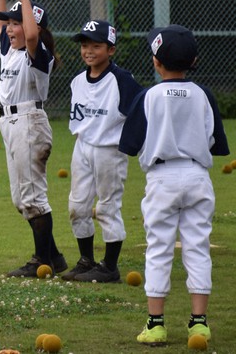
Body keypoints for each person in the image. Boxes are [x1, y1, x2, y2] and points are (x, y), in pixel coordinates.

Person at [119, 25, 229, 346]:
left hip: (162, 177)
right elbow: (214, 142)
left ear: (156, 62)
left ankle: (156, 324)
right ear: (194, 59)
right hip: (197, 176)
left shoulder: (148, 96)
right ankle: (199, 323)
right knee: (197, 247)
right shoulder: (204, 95)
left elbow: (131, 143)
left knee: (159, 248)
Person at [0, 0, 66, 277]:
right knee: (21, 199)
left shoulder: (38, 56)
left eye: (17, 22)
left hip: (29, 122)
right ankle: (55, 257)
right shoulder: (10, 51)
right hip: (10, 123)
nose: (10, 28)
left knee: (33, 197)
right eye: (11, 22)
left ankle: (41, 260)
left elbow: (33, 36)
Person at [62, 20, 143, 283]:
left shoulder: (122, 80)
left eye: (96, 45)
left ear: (111, 50)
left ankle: (109, 266)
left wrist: (133, 143)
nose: (88, 50)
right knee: (77, 205)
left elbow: (141, 112)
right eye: (85, 45)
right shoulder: (77, 81)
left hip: (109, 150)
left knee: (107, 207)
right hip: (83, 147)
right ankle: (86, 261)